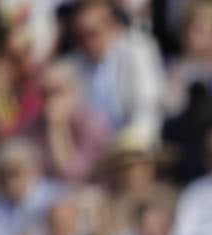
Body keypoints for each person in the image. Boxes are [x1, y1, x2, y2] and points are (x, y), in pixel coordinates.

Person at [71, 0, 165, 135]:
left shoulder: (137, 50)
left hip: (132, 145)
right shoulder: (76, 63)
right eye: (79, 37)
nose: (87, 43)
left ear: (112, 27)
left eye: (92, 34)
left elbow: (147, 109)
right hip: (94, 148)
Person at [18, 60, 110, 185]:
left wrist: (56, 128)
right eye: (45, 94)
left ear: (73, 92)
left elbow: (70, 176)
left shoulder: (92, 124)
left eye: (57, 92)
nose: (50, 100)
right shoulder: (33, 126)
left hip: (84, 192)